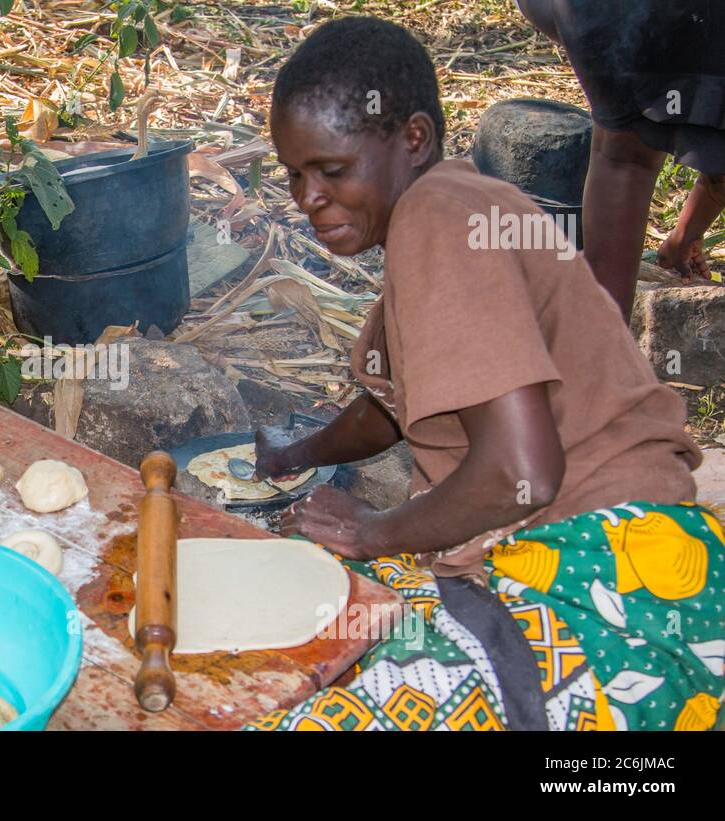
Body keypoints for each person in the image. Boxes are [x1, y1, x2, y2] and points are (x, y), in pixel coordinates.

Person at [247, 16, 723, 731]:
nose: (307, 197)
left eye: (332, 170)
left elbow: (521, 473)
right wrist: (296, 454)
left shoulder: (435, 221)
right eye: (294, 174)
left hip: (608, 584)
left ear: (413, 139)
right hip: (634, 558)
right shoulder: (459, 207)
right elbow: (390, 408)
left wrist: (373, 531)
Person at [517, 0, 725, 318]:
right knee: (625, 156)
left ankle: (600, 343)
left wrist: (685, 235)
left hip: (605, 15)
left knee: (623, 158)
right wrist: (686, 234)